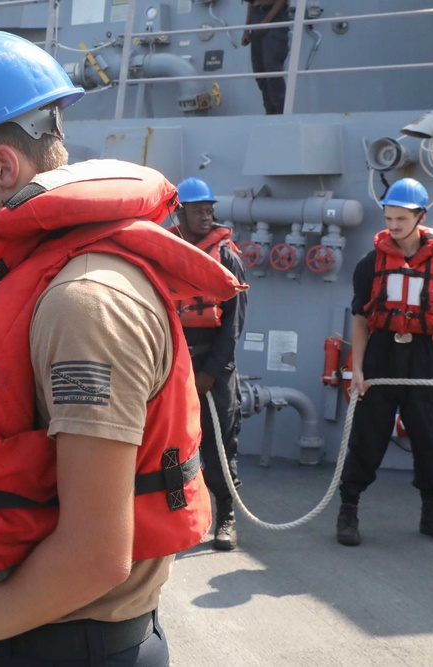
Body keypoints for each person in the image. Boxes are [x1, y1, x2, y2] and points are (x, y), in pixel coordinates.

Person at [0, 31, 245, 667]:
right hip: (20, 630)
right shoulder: (21, 286)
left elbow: (94, 554)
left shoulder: (84, 302)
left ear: (0, 166)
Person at [337, 178, 433, 547]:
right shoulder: (371, 263)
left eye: (401, 219)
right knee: (367, 439)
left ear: (421, 217)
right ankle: (348, 509)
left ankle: (431, 512)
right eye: (389, 218)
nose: (393, 227)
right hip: (382, 354)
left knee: (428, 440)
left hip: (422, 358)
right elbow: (360, 317)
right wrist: (359, 369)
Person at [170, 177, 247, 551]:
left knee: (219, 446)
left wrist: (209, 374)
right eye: (199, 210)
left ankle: (226, 516)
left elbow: (233, 325)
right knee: (169, 441)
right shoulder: (165, 251)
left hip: (214, 370)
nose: (207, 215)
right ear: (179, 211)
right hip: (173, 366)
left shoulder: (227, 256)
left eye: (210, 209)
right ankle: (176, 515)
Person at [241, 0, 290, 115]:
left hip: (274, 15)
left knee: (272, 67)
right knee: (259, 71)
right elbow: (251, 3)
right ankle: (270, 111)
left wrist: (267, 21)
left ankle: (281, 112)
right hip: (256, 15)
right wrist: (246, 29)